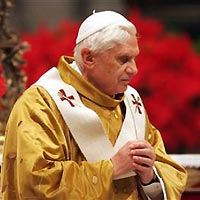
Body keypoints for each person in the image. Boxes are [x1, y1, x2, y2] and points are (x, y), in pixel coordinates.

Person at [1, 10, 187, 200]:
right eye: (123, 59)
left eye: (134, 58)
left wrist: (150, 177)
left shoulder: (130, 103)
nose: (134, 69)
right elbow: (36, 183)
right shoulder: (41, 104)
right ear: (89, 58)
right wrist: (110, 169)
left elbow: (166, 168)